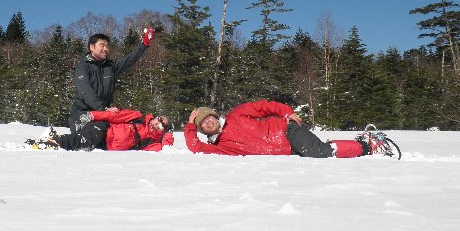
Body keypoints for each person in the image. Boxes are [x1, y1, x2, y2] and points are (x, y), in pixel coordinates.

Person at [184, 99, 391, 158]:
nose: (208, 122)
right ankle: (359, 142)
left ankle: (368, 145)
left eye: (208, 117)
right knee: (317, 150)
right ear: (203, 130)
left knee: (317, 151)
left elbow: (264, 106)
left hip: (286, 131)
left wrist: (286, 112)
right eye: (202, 124)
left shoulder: (236, 114)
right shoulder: (220, 147)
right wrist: (189, 125)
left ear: (214, 115)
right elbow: (195, 148)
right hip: (288, 150)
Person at [69, 28, 156, 135]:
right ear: (91, 47)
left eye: (107, 46)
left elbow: (129, 59)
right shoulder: (82, 67)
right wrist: (104, 109)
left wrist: (144, 44)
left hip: (104, 115)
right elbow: (85, 92)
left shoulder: (110, 67)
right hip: (82, 115)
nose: (105, 48)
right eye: (102, 45)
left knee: (132, 123)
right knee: (101, 132)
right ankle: (57, 140)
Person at [36, 109, 174, 152]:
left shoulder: (151, 143)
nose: (159, 123)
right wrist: (93, 115)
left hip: (105, 146)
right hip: (103, 129)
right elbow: (114, 116)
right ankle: (55, 141)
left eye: (163, 125)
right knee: (85, 141)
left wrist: (168, 136)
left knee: (85, 146)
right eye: (160, 119)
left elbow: (165, 150)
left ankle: (53, 137)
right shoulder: (137, 117)